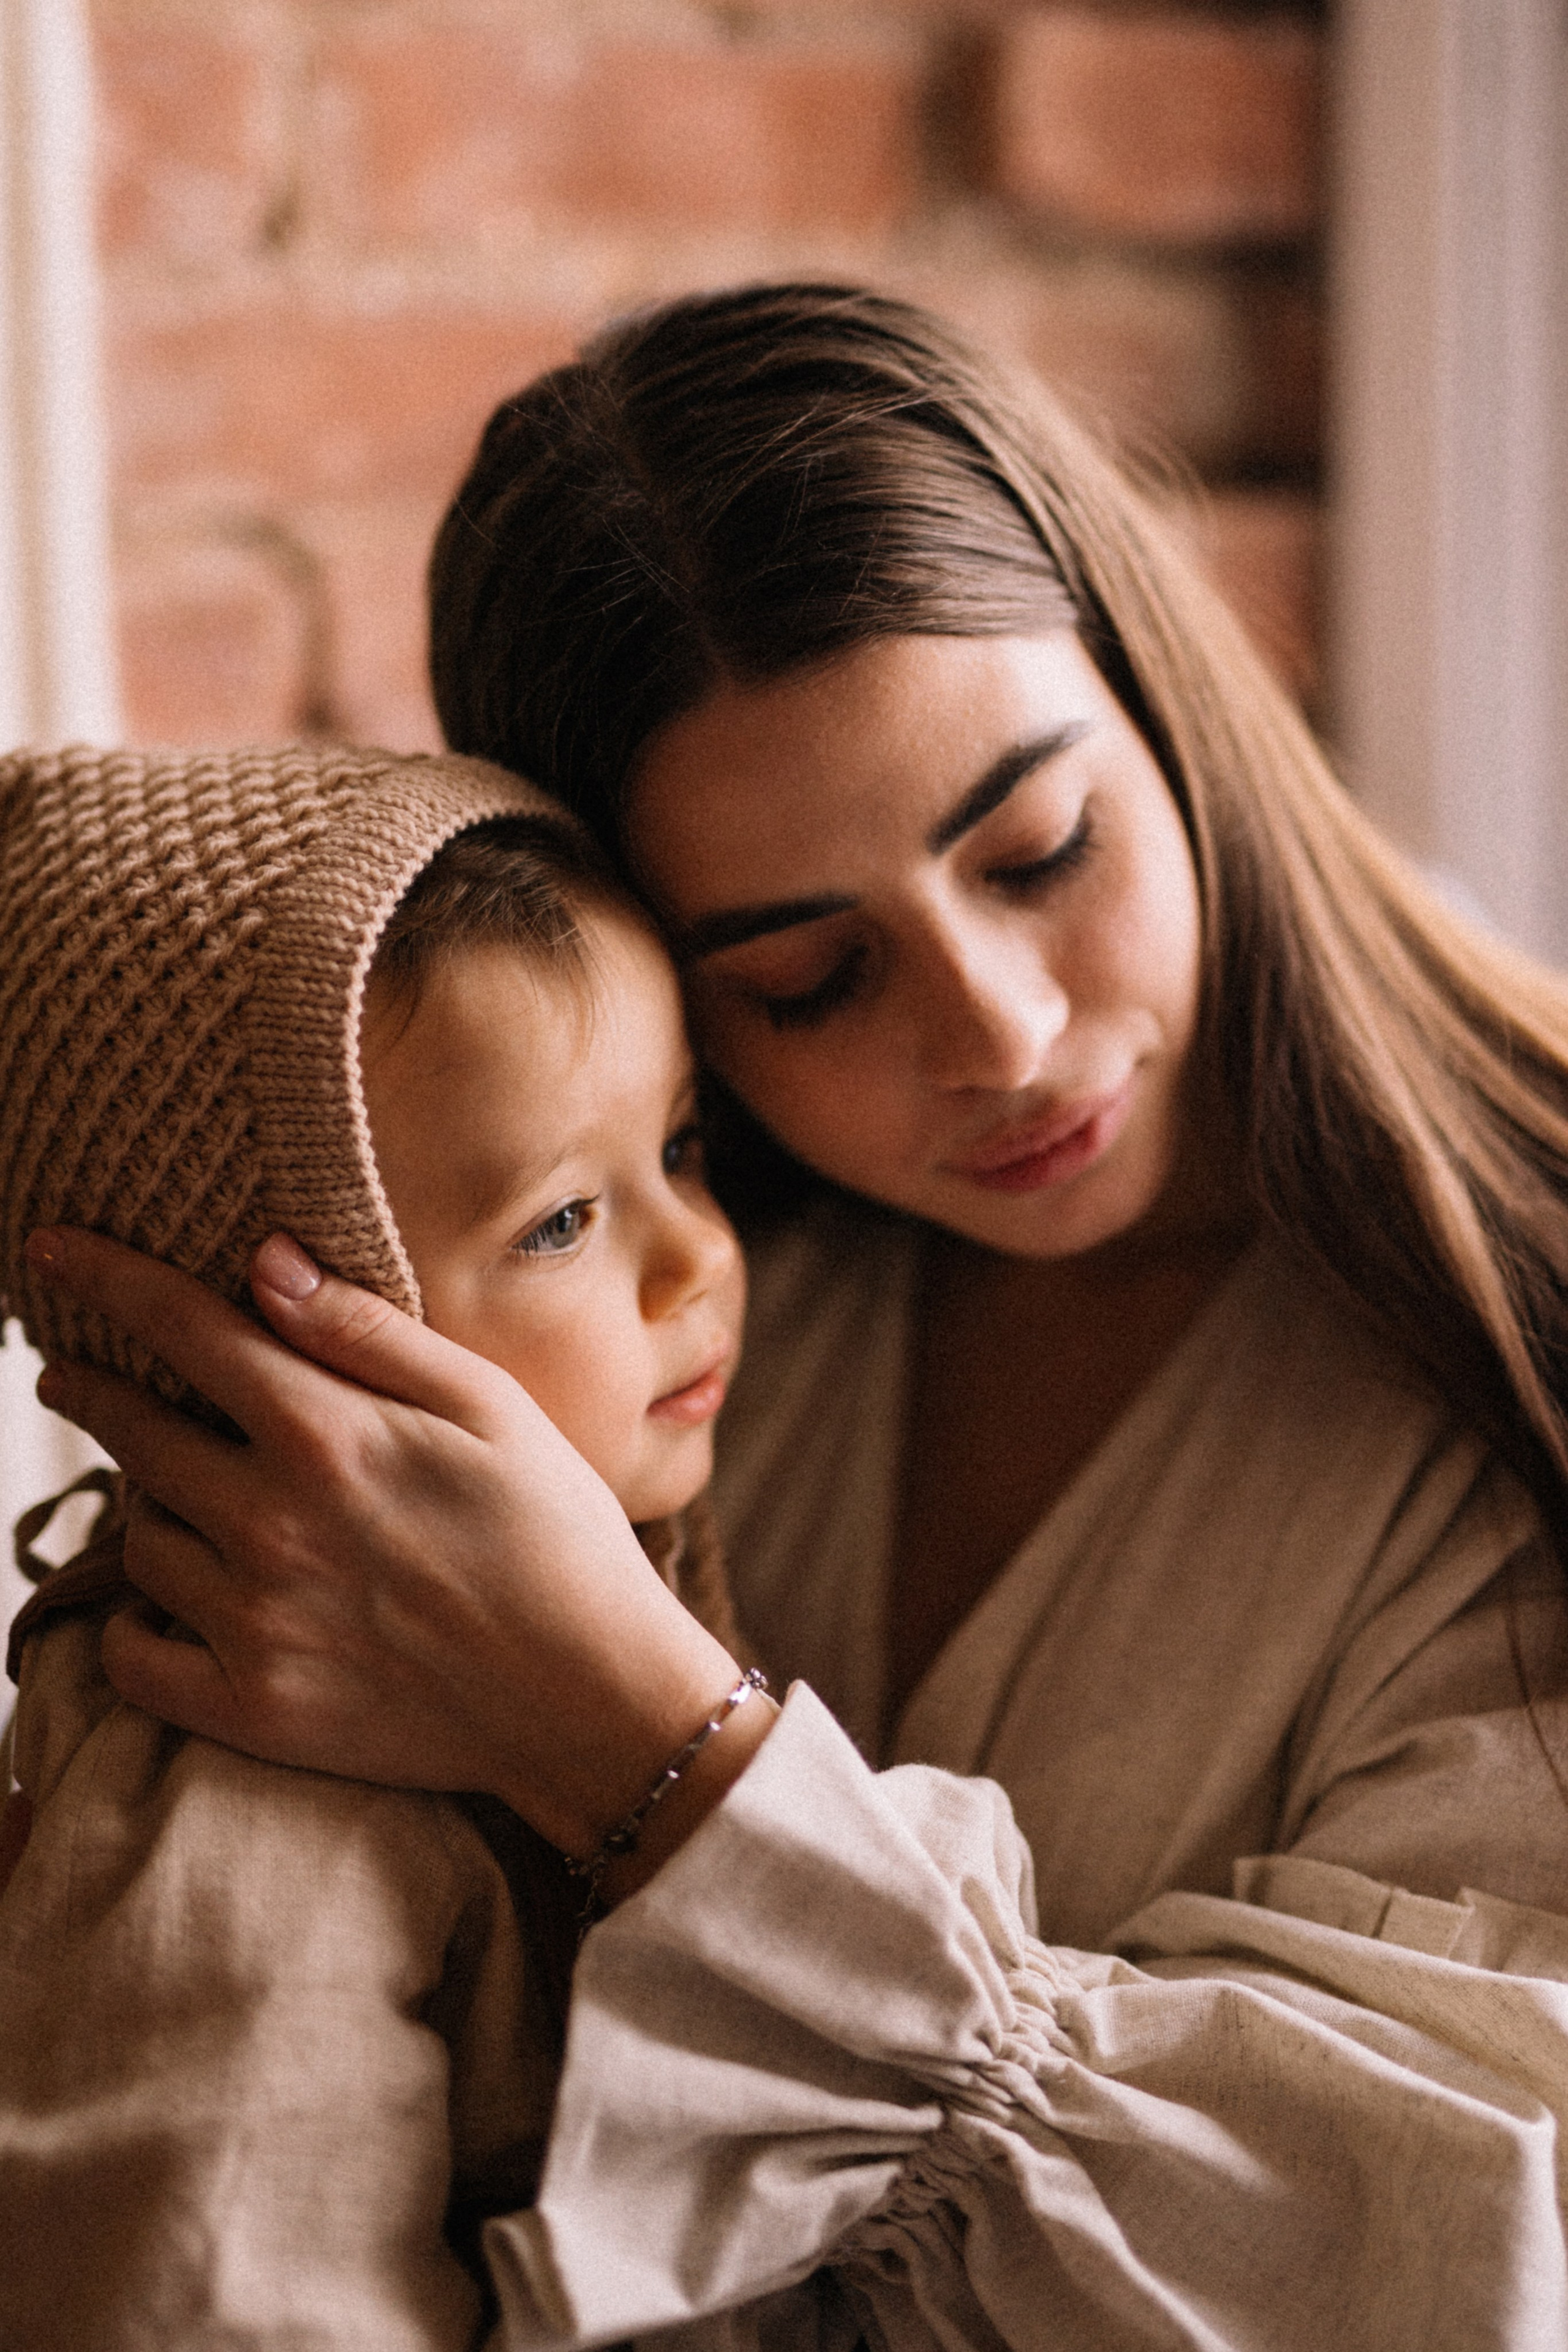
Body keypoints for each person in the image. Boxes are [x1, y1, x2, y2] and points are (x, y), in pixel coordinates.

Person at [24, 285, 1568, 2347]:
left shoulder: (1516, 1326)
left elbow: (1452, 2262)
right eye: (806, 982)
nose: (1004, 1041)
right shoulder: (675, 1329)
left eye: (1040, 846)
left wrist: (631, 1738)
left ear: (1166, 701)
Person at [0, 742, 750, 2350]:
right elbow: (205, 2284)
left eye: (681, 1149)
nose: (698, 1257)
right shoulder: (247, 1787)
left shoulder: (650, 1571)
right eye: (562, 1220)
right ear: (271, 1342)